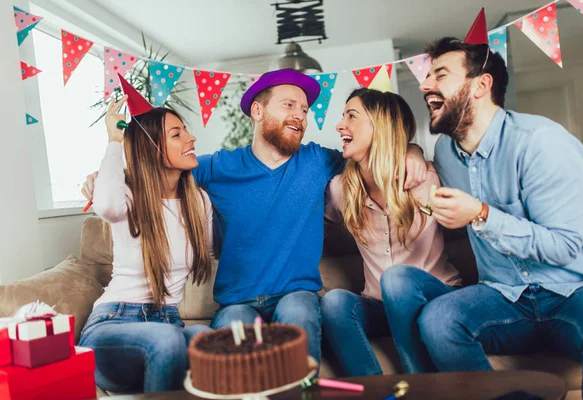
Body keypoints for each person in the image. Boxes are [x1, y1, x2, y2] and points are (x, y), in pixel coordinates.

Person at [82, 69, 429, 365]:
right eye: (289, 105)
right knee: (232, 333)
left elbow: (373, 153)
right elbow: (160, 167)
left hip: (295, 294)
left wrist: (412, 151)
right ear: (258, 111)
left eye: (305, 110)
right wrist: (109, 176)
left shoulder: (319, 161)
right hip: (237, 301)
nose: (300, 115)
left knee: (299, 315)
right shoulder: (217, 167)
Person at [416, 35, 583, 400]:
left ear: (481, 85)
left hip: (576, 289)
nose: (425, 85)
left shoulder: (541, 142)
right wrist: (410, 153)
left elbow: (563, 246)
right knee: (437, 321)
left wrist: (482, 215)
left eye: (440, 74)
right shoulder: (445, 152)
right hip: (503, 297)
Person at [79, 77, 213, 393]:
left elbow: (207, 250)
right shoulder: (128, 196)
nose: (192, 138)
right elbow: (107, 204)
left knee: (207, 340)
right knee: (166, 340)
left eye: (186, 131)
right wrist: (114, 140)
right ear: (152, 147)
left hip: (167, 323)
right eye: (178, 134)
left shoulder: (199, 202)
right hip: (112, 327)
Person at [320, 88, 462, 376]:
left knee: (397, 279)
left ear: (381, 125)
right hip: (379, 305)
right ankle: (375, 391)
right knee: (334, 302)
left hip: (436, 297)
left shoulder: (429, 180)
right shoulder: (341, 190)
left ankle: (420, 387)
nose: (339, 125)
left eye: (351, 115)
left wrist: (413, 150)